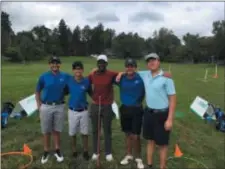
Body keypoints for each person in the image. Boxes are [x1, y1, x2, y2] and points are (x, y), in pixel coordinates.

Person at [137, 53, 176, 169]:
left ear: (158, 61)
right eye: (149, 61)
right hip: (148, 113)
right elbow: (131, 72)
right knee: (150, 141)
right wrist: (120, 73)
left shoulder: (167, 78)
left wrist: (169, 119)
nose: (151, 62)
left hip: (162, 114)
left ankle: (162, 167)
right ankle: (149, 165)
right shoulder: (145, 74)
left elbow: (173, 100)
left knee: (162, 144)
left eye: (154, 60)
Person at [35, 56, 69, 164]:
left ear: (60, 64)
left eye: (57, 63)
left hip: (59, 106)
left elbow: (77, 80)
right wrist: (38, 104)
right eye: (52, 63)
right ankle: (46, 151)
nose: (55, 65)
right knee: (46, 130)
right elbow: (37, 91)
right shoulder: (44, 76)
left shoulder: (65, 76)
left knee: (57, 129)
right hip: (46, 106)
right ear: (49, 64)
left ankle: (57, 149)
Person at [115, 58, 145, 169]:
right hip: (125, 109)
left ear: (135, 67)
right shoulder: (121, 78)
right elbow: (109, 75)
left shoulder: (141, 78)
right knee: (127, 134)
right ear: (125, 67)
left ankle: (138, 158)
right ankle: (128, 155)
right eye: (128, 66)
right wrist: (120, 73)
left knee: (136, 136)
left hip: (137, 109)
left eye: (132, 66)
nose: (130, 68)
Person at [88, 54, 118, 162]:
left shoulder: (111, 74)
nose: (101, 64)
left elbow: (124, 75)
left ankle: (108, 152)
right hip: (96, 105)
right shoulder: (93, 74)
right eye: (99, 62)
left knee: (107, 130)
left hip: (107, 105)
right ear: (97, 64)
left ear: (106, 64)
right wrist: (93, 96)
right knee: (95, 130)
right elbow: (86, 85)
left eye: (103, 63)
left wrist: (122, 74)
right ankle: (96, 152)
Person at [64, 61, 92, 161]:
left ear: (82, 70)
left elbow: (92, 94)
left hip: (84, 110)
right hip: (72, 111)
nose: (78, 71)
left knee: (85, 133)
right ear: (73, 70)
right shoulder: (69, 81)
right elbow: (64, 91)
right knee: (72, 133)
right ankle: (74, 150)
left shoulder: (87, 81)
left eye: (80, 68)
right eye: (76, 69)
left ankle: (85, 151)